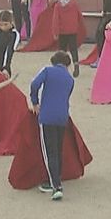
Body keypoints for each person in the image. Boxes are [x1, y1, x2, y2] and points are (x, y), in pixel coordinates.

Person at [30, 51, 76, 201]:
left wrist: (35, 102)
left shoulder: (48, 71)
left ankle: (56, 185)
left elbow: (34, 84)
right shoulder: (70, 79)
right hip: (62, 117)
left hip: (47, 116)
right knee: (57, 149)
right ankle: (57, 178)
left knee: (50, 151)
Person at [56, 0, 82, 77]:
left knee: (62, 49)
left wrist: (55, 31)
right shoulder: (74, 4)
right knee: (73, 49)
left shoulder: (58, 5)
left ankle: (62, 67)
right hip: (72, 30)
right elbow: (79, 16)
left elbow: (55, 19)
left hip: (62, 31)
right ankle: (76, 64)